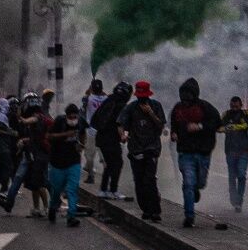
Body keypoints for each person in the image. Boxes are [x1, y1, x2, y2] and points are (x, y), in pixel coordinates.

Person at [168, 77, 218, 227]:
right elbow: (174, 124)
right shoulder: (177, 108)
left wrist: (200, 126)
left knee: (200, 182)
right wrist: (174, 133)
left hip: (203, 152)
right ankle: (189, 216)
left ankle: (197, 189)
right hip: (185, 151)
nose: (185, 101)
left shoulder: (206, 107)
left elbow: (217, 123)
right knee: (188, 183)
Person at [123, 81, 168, 221]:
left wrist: (151, 114)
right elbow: (121, 124)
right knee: (139, 181)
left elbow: (161, 126)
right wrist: (123, 135)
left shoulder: (156, 106)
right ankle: (146, 208)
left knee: (150, 180)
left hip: (151, 148)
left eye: (144, 97)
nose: (142, 100)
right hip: (136, 148)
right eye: (140, 97)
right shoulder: (131, 108)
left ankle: (155, 210)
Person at [46, 101, 86, 228]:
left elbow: (83, 132)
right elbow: (49, 136)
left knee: (72, 189)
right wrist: (65, 135)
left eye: (75, 117)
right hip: (57, 163)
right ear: (66, 115)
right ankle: (53, 207)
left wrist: (81, 144)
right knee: (56, 190)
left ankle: (71, 216)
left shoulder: (81, 122)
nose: (73, 120)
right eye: (71, 117)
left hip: (73, 162)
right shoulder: (59, 121)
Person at [91, 81, 130, 200]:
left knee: (109, 164)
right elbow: (119, 123)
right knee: (117, 163)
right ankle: (113, 190)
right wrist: (123, 136)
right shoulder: (121, 104)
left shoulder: (109, 100)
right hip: (110, 139)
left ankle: (104, 190)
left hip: (101, 138)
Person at [218, 96, 248, 212]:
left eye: (236, 106)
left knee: (241, 174)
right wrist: (227, 128)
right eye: (232, 106)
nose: (234, 108)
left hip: (244, 149)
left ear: (240, 105)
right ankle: (234, 198)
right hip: (230, 149)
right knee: (232, 175)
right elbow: (218, 128)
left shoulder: (247, 114)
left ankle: (239, 201)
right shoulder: (226, 115)